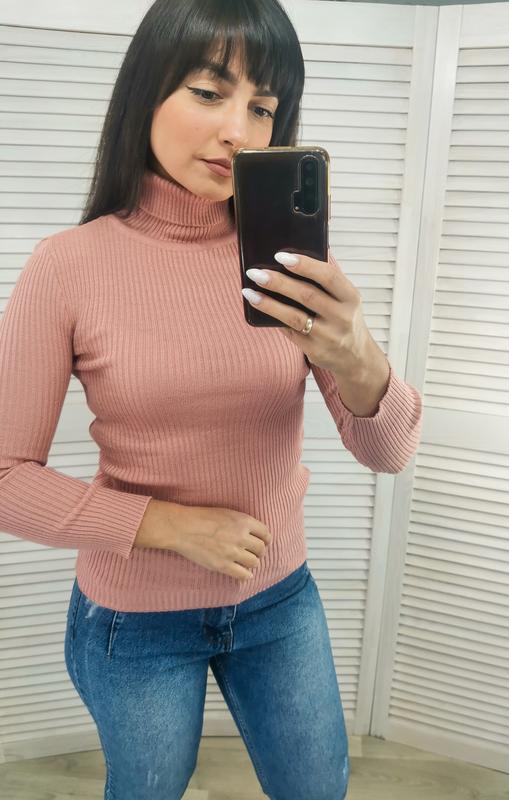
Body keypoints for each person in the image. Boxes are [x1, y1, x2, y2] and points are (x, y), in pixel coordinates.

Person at [0, 1, 423, 798]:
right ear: (146, 92)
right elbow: (5, 477)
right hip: (136, 616)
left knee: (317, 787)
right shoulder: (67, 265)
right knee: (148, 789)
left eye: (262, 107)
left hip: (279, 598)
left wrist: (355, 351)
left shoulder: (289, 262)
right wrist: (171, 527)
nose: (240, 131)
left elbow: (388, 452)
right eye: (207, 92)